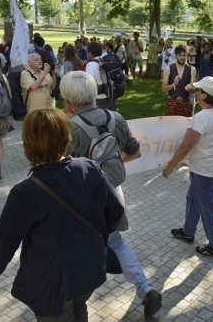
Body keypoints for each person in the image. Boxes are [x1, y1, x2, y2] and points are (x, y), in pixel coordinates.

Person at [0, 108, 125, 322]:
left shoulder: (25, 193)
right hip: (89, 266)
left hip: (55, 283)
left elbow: (4, 241)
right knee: (79, 308)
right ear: (66, 138)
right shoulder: (90, 167)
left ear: (28, 145)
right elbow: (116, 209)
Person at [62, 71, 163, 320]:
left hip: (79, 201)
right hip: (111, 194)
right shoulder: (115, 118)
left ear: (68, 100)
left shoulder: (69, 127)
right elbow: (134, 152)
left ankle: (74, 301)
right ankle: (146, 289)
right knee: (116, 242)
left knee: (75, 248)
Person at [164, 77, 213, 258]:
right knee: (193, 198)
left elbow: (185, 147)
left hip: (204, 170)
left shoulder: (201, 118)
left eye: (198, 90)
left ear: (204, 96)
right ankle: (188, 231)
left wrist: (169, 167)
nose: (196, 92)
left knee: (207, 208)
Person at [162, 45, 196, 117]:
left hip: (186, 103)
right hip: (172, 103)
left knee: (185, 127)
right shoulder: (168, 69)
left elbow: (193, 91)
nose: (182, 58)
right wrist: (174, 84)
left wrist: (190, 88)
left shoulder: (192, 69)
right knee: (171, 127)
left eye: (184, 55)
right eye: (180, 55)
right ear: (176, 56)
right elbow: (163, 88)